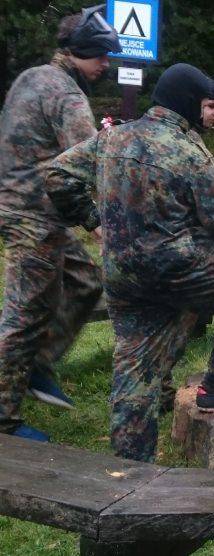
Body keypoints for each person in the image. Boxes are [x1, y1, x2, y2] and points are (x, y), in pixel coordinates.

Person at [44, 63, 214, 462]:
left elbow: (57, 175)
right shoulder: (187, 152)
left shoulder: (113, 138)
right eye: (211, 106)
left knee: (133, 362)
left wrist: (93, 221)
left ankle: (130, 467)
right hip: (180, 271)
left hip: (123, 274)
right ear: (188, 104)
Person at [0, 6, 121, 442]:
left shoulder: (32, 77)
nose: (106, 65)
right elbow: (89, 162)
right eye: (101, 57)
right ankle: (4, 419)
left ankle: (37, 364)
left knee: (86, 280)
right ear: (80, 52)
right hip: (33, 215)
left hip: (29, 208)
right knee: (25, 314)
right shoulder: (68, 96)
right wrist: (97, 219)